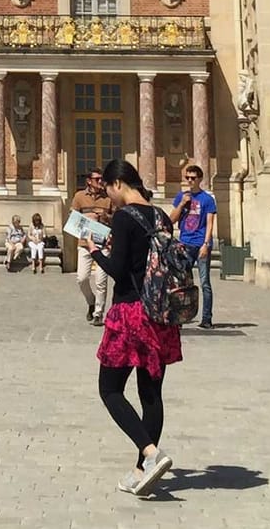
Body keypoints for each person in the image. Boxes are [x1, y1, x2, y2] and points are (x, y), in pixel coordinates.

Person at [90, 159, 180, 497]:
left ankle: (150, 452)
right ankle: (142, 471)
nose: (108, 197)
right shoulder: (159, 215)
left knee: (110, 389)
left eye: (108, 190)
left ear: (116, 184)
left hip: (130, 313)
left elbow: (117, 269)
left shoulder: (125, 217)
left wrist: (94, 250)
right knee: (151, 394)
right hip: (161, 313)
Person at [170, 163, 217, 330]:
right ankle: (181, 317)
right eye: (187, 178)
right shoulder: (181, 197)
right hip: (185, 243)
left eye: (193, 178)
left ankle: (206, 318)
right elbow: (172, 220)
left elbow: (210, 223)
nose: (189, 181)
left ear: (200, 179)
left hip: (200, 243)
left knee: (205, 282)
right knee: (181, 283)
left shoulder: (207, 199)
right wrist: (182, 203)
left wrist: (206, 244)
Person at [71, 168, 115, 326]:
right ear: (89, 181)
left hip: (103, 243)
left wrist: (105, 217)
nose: (100, 182)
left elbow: (115, 218)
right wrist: (86, 218)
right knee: (81, 278)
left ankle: (98, 313)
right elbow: (73, 218)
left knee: (101, 280)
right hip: (84, 242)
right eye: (97, 179)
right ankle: (91, 302)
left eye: (102, 179)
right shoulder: (79, 197)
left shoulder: (108, 198)